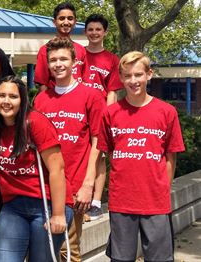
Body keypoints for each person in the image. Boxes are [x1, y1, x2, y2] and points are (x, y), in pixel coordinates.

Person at [98, 51, 185, 262]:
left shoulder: (167, 112)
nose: (133, 80)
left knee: (160, 259)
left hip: (155, 202)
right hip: (122, 201)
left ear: (149, 74)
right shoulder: (111, 114)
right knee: (120, 259)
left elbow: (170, 158)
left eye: (138, 74)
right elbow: (110, 154)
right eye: (127, 76)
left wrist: (162, 189)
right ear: (121, 78)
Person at [0, 75, 73, 261]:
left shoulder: (35, 122)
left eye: (13, 97)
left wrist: (59, 215)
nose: (6, 101)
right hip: (14, 206)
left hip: (48, 203)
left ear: (22, 100)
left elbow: (57, 169)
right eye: (1, 95)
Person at [34, 37, 105, 262]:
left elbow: (98, 143)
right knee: (44, 250)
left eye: (63, 58)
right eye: (53, 59)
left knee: (68, 250)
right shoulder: (41, 100)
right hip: (45, 188)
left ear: (74, 62)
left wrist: (88, 185)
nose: (58, 64)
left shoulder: (91, 96)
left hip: (75, 187)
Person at [82, 14, 123, 222]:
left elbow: (112, 93)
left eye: (98, 29)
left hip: (100, 114)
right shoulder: (78, 55)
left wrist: (110, 117)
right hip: (78, 113)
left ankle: (96, 203)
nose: (94, 33)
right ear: (85, 32)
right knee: (81, 154)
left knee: (99, 157)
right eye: (91, 29)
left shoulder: (112, 60)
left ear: (105, 32)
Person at [35, 2, 85, 92]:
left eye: (70, 18)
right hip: (55, 100)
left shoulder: (81, 50)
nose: (66, 22)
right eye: (62, 18)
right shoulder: (45, 50)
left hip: (78, 100)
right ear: (54, 22)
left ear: (75, 22)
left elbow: (86, 80)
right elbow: (42, 84)